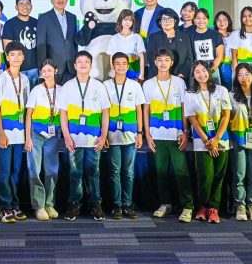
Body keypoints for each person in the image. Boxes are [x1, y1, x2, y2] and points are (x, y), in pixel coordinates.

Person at [143, 49, 194, 222]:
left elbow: (184, 108)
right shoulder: (148, 84)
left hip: (176, 134)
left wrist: (185, 132)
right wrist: (147, 134)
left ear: (172, 63)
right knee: (161, 172)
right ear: (154, 62)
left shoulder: (179, 82)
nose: (163, 63)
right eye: (159, 60)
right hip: (157, 135)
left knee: (181, 170)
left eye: (166, 60)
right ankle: (165, 203)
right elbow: (146, 110)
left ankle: (187, 206)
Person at [60, 51, 110, 222]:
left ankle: (96, 205)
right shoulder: (67, 86)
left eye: (86, 62)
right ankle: (74, 204)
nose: (83, 64)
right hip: (74, 139)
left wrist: (103, 136)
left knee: (93, 172)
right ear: (74, 65)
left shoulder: (99, 86)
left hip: (94, 139)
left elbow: (105, 112)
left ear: (90, 65)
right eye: (79, 62)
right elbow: (63, 114)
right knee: (75, 173)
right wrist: (66, 136)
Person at [185, 61, 232, 224]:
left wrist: (216, 139)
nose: (201, 74)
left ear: (209, 72)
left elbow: (226, 116)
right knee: (205, 175)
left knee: (219, 175)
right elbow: (192, 120)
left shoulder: (221, 90)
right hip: (201, 141)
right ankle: (202, 206)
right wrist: (207, 140)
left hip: (221, 140)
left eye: (204, 70)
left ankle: (214, 208)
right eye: (197, 72)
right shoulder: (190, 94)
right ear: (193, 75)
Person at [0, 42, 31, 223]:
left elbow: (27, 109)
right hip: (5, 133)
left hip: (20, 133)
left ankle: (15, 205)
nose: (16, 58)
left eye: (19, 54)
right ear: (7, 58)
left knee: (16, 172)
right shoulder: (0, 79)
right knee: (4, 171)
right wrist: (0, 133)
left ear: (23, 57)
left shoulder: (25, 79)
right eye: (12, 55)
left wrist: (27, 136)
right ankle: (4, 207)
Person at [104, 52, 146, 219]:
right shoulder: (106, 85)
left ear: (128, 66)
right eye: (117, 63)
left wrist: (140, 133)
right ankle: (117, 205)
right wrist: (103, 134)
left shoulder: (135, 86)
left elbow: (139, 110)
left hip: (131, 135)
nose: (121, 66)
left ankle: (127, 204)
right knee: (114, 171)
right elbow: (102, 112)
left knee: (128, 171)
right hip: (112, 135)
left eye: (124, 63)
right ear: (113, 66)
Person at [228, 63, 252, 222]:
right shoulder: (231, 95)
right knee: (239, 173)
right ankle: (240, 205)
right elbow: (229, 117)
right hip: (238, 136)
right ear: (236, 78)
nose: (244, 77)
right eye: (240, 74)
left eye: (247, 74)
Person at [25, 59, 62, 221]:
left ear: (56, 71)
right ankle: (39, 206)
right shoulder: (36, 90)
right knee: (35, 170)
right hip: (36, 134)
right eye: (44, 71)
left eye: (49, 70)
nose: (46, 73)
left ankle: (49, 203)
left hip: (53, 136)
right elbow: (28, 115)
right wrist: (28, 138)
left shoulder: (62, 90)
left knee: (52, 171)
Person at [37, 0, 78, 82]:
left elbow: (74, 43)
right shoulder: (44, 18)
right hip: (52, 67)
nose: (61, 0)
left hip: (71, 67)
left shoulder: (72, 17)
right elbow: (41, 45)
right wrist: (43, 67)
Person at [145, 8, 194, 81]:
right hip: (159, 76)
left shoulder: (184, 37)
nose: (167, 21)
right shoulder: (153, 37)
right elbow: (151, 58)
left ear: (175, 21)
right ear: (160, 22)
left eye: (170, 19)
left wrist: (182, 74)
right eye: (164, 19)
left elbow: (189, 59)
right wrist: (162, 74)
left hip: (180, 77)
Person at [2, 0, 39, 85]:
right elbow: (7, 48)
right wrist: (12, 68)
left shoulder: (37, 22)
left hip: (35, 69)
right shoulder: (10, 24)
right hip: (17, 69)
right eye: (21, 4)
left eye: (27, 3)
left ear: (31, 6)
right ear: (16, 7)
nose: (25, 6)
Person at [106, 10, 146, 81]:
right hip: (119, 69)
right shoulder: (114, 38)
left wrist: (142, 73)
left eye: (130, 20)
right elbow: (111, 56)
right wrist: (113, 70)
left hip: (133, 69)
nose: (128, 22)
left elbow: (141, 56)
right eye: (125, 19)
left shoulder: (137, 37)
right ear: (120, 21)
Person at [189, 8, 224, 83]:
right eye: (198, 18)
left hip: (213, 70)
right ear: (194, 20)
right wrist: (198, 71)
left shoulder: (216, 35)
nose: (201, 21)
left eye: (204, 18)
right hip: (196, 71)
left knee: (215, 89)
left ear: (208, 20)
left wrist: (211, 70)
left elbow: (219, 56)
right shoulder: (189, 35)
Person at [214, 11, 235, 89]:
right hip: (217, 65)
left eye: (224, 19)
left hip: (231, 65)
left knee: (231, 88)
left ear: (228, 21)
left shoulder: (234, 35)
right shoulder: (212, 35)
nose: (222, 22)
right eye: (219, 20)